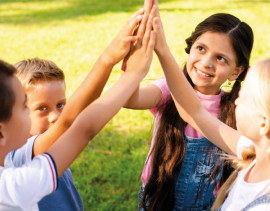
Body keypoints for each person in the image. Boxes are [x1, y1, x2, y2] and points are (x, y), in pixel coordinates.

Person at [0, 7, 156, 210]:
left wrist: (109, 59)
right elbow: (75, 125)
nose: (55, 116)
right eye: (23, 106)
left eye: (60, 105)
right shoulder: (14, 174)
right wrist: (131, 74)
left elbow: (74, 118)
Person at [124, 0, 254, 210]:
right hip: (158, 202)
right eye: (201, 49)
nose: (206, 62)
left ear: (236, 72)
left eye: (220, 58)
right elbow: (131, 100)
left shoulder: (236, 110)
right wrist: (134, 63)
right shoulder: (168, 88)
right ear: (191, 47)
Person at [155, 19, 270, 208]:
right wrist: (161, 49)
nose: (237, 100)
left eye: (244, 96)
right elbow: (194, 113)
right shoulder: (253, 151)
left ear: (264, 123)